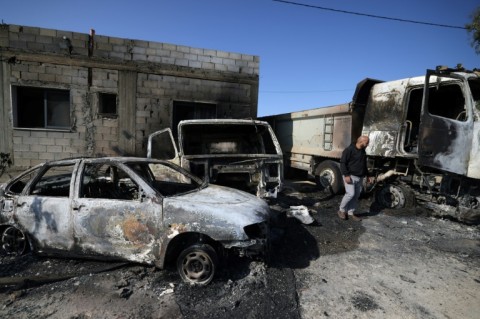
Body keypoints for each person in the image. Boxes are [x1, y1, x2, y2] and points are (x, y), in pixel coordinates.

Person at [338, 135, 370, 221]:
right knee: (350, 194)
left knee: (356, 196)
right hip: (350, 176)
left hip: (360, 177)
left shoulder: (363, 151)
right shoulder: (349, 150)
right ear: (361, 141)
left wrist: (367, 175)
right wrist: (346, 175)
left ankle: (350, 213)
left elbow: (364, 165)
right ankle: (341, 210)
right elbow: (343, 163)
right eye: (367, 143)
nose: (368, 144)